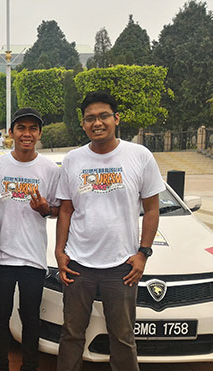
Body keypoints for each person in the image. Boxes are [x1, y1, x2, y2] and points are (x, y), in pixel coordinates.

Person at [55, 91, 165, 371]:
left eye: (103, 116)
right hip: (79, 264)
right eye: (90, 118)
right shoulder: (72, 160)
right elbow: (66, 210)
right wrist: (60, 251)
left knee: (123, 337)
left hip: (122, 266)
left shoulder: (139, 156)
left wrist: (143, 253)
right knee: (71, 335)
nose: (97, 123)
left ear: (116, 118)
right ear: (83, 124)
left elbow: (152, 209)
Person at [0, 108, 61, 371]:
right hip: (2, 257)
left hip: (33, 258)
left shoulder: (50, 169)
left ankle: (30, 366)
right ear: (11, 133)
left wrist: (45, 210)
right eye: (21, 128)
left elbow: (61, 209)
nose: (26, 134)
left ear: (39, 133)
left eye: (32, 129)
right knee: (0, 317)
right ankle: (0, 365)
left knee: (31, 318)